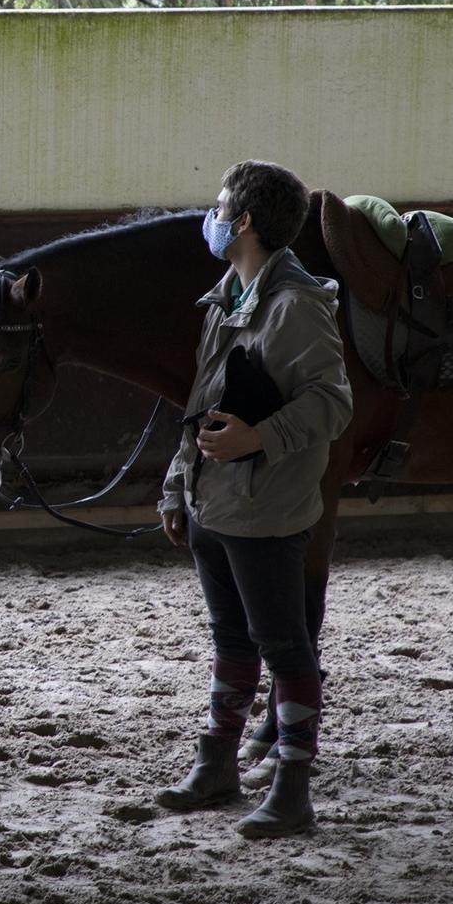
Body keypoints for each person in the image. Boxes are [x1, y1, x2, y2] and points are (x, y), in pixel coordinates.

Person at [156, 160, 352, 837]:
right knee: (231, 638)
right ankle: (218, 765)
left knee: (285, 647)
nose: (208, 217)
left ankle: (293, 790)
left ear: (242, 222)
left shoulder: (297, 307)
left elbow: (331, 404)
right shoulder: (228, 293)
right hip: (217, 503)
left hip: (266, 507)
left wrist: (256, 441)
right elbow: (201, 401)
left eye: (218, 207)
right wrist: (179, 484)